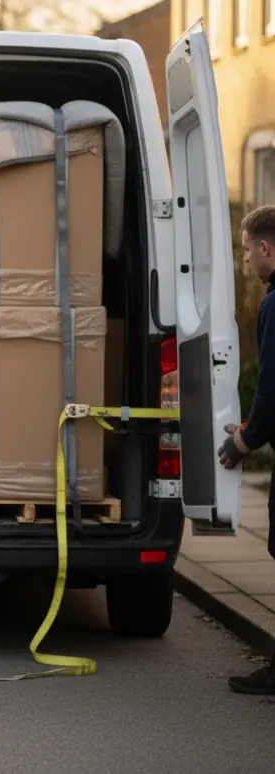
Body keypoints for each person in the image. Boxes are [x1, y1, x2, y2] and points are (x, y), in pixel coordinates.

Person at [220, 204, 275, 695]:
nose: (244, 263)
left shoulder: (274, 304)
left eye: (245, 252)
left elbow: (272, 389)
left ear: (265, 249)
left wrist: (244, 440)